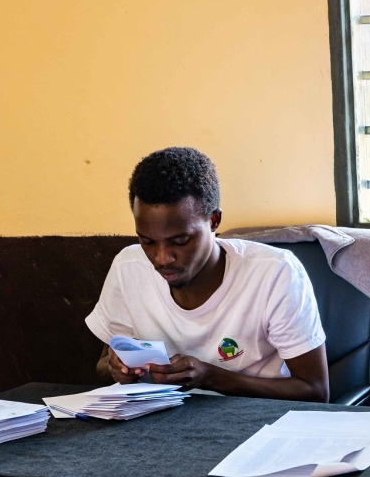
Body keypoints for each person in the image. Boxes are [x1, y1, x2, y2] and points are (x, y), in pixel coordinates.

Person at [87, 147, 330, 401]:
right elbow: (103, 367)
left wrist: (211, 377)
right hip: (162, 420)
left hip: (257, 421)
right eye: (147, 241)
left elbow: (315, 391)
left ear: (214, 221)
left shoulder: (275, 272)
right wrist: (119, 370)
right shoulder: (129, 266)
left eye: (180, 241)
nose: (162, 258)